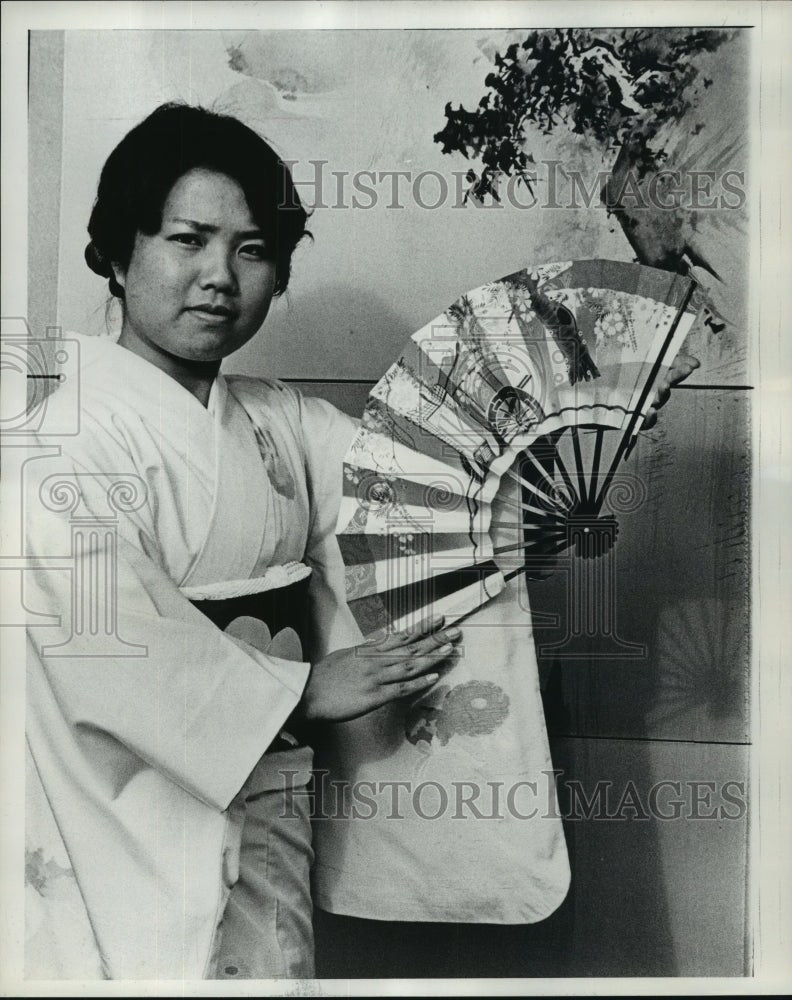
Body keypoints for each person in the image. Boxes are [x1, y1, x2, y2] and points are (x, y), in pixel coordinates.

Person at [23, 102, 461, 981]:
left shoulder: (277, 422)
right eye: (187, 240)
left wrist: (505, 495)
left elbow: (408, 493)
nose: (220, 276)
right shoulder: (60, 443)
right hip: (120, 808)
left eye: (253, 249)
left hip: (268, 795)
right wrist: (299, 690)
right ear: (117, 251)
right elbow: (106, 642)